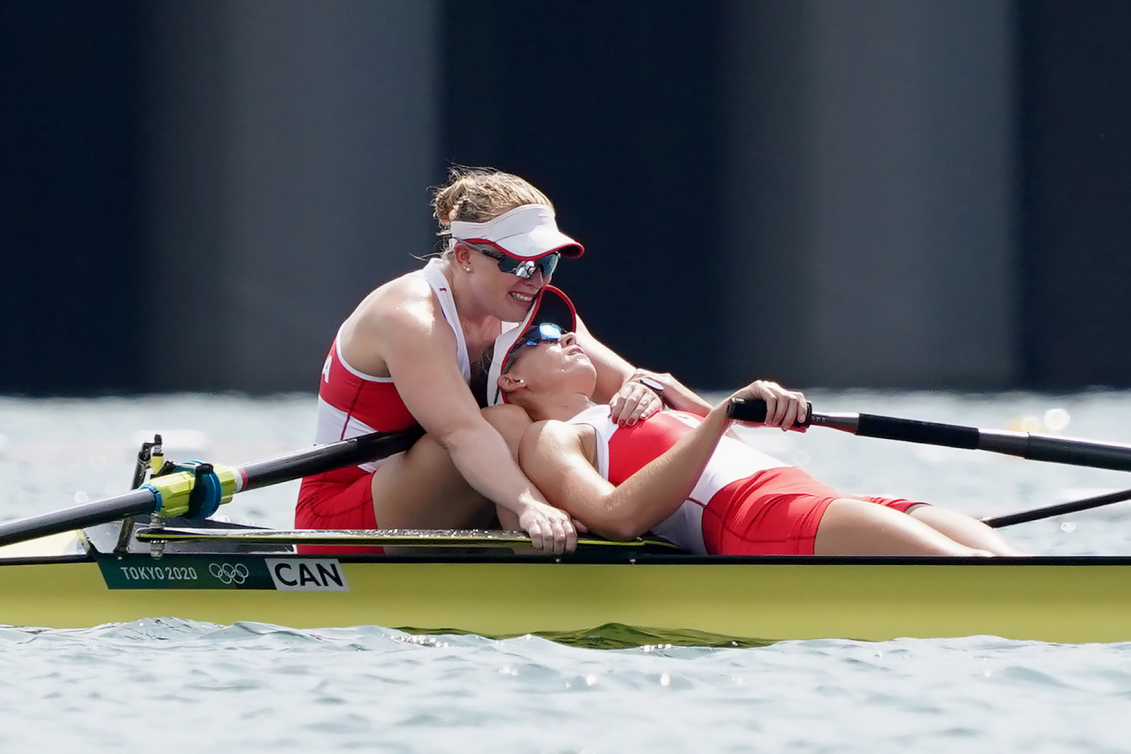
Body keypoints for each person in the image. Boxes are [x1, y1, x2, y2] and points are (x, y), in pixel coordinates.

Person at [295, 167, 684, 554]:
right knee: (511, 422)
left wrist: (644, 391)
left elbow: (632, 380)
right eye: (520, 264)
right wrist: (529, 505)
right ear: (464, 256)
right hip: (340, 517)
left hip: (464, 488)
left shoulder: (531, 307)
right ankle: (541, 555)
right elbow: (463, 435)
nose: (535, 280)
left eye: (546, 263)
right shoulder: (408, 313)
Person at [496, 313, 1026, 557]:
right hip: (758, 520)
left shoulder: (637, 401)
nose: (568, 335)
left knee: (1015, 568)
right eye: (541, 336)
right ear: (510, 377)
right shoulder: (548, 438)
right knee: (979, 574)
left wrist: (698, 403)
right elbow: (617, 517)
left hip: (821, 499)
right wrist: (720, 415)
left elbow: (733, 453)